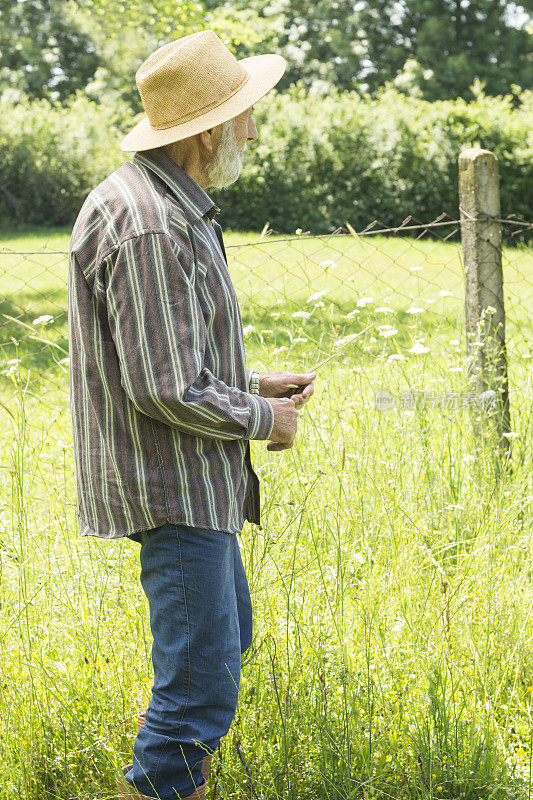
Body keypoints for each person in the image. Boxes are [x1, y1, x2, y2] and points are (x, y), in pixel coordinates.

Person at [68, 29, 316, 800]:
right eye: (243, 114)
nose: (252, 128)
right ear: (208, 128)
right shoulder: (151, 225)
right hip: (169, 482)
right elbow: (163, 387)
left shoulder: (166, 206)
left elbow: (169, 356)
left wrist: (253, 383)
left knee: (223, 643)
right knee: (197, 690)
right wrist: (261, 420)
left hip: (186, 479)